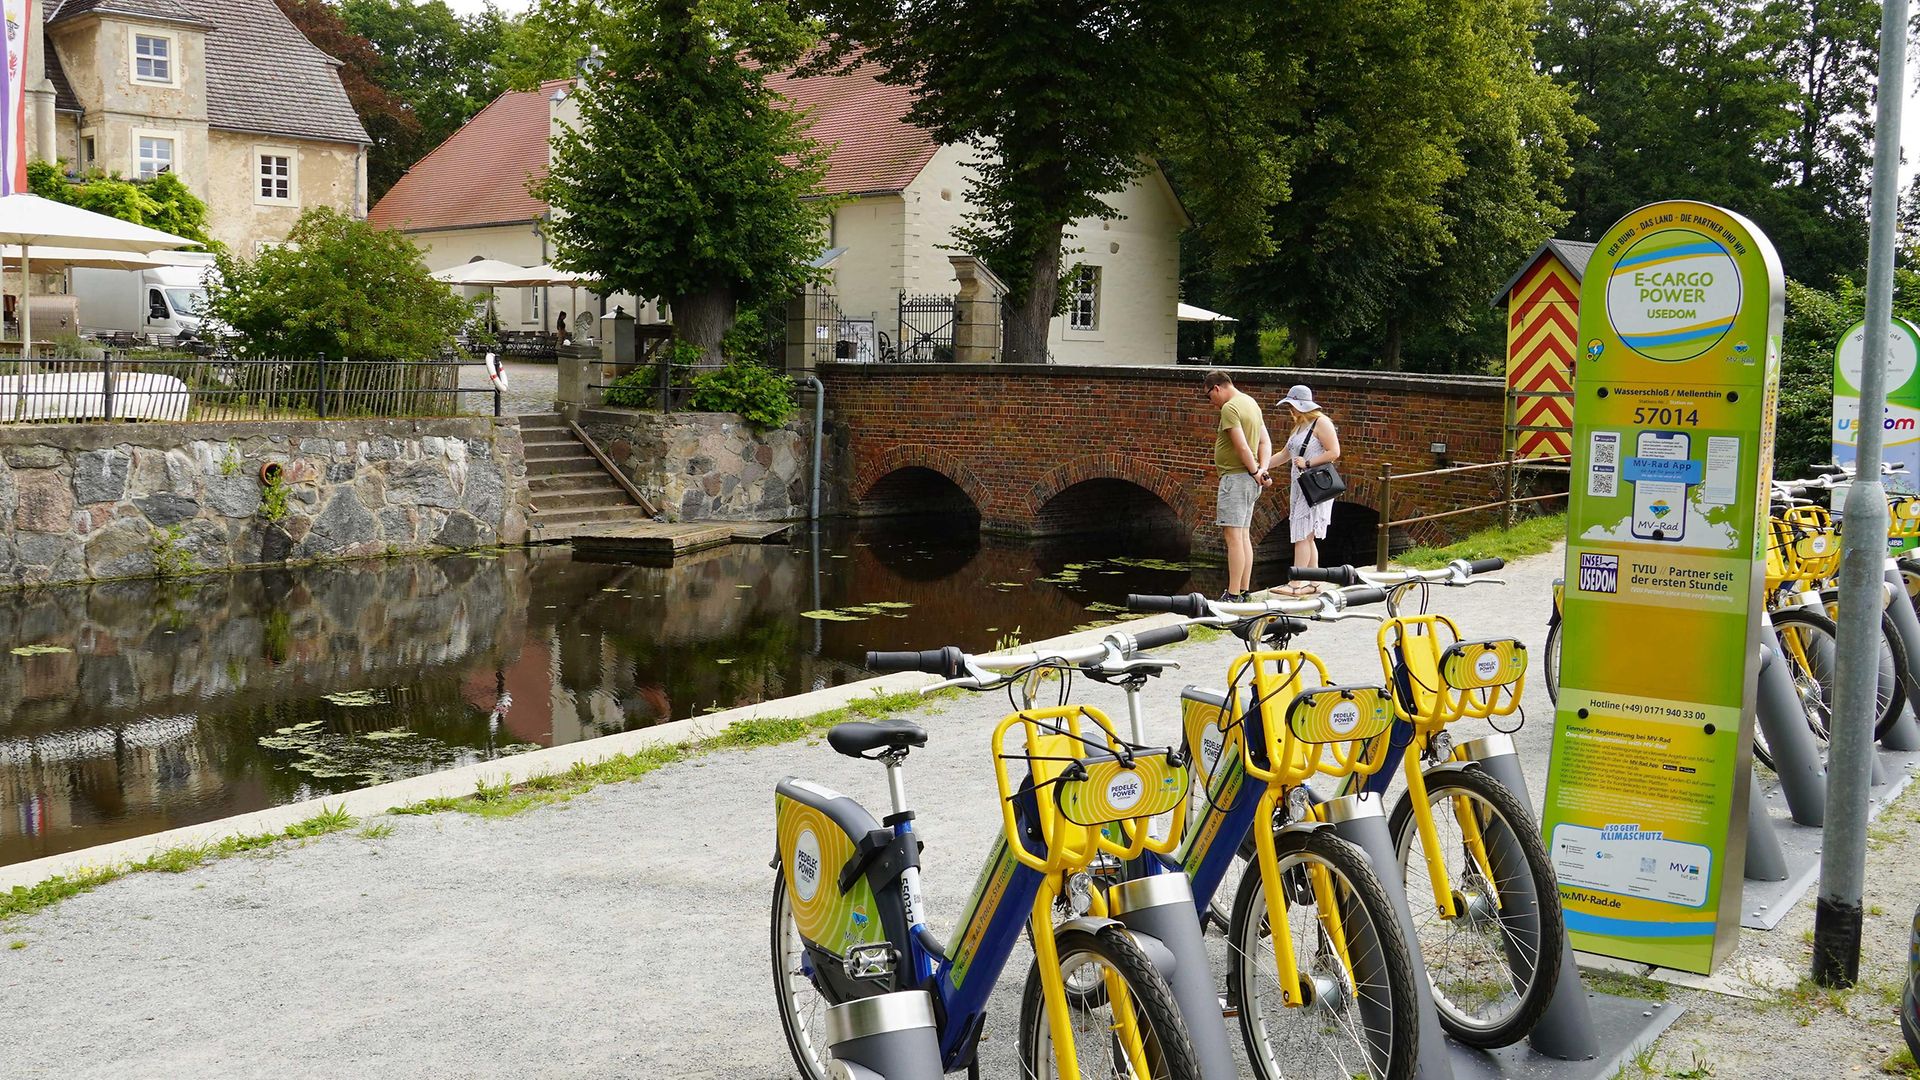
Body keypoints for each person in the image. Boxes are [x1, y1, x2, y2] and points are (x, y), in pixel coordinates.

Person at [1204, 370, 1271, 602]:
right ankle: (1243, 590)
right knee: (1243, 536)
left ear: (1217, 388)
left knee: (1233, 537)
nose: (1211, 403)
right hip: (1250, 479)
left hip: (1236, 478)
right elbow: (1265, 441)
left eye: (1208, 397)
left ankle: (1232, 595)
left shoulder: (1230, 408)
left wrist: (1254, 471)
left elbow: (1242, 446)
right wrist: (1263, 470)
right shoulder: (1251, 403)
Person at [1270, 384, 1342, 593]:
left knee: (1303, 535)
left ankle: (1296, 584)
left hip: (1314, 485)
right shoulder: (1300, 426)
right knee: (1307, 535)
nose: (1290, 410)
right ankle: (1315, 582)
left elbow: (1334, 452)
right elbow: (1286, 454)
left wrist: (1308, 463)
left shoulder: (1321, 423)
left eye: (1291, 406)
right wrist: (1260, 465)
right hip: (1300, 486)